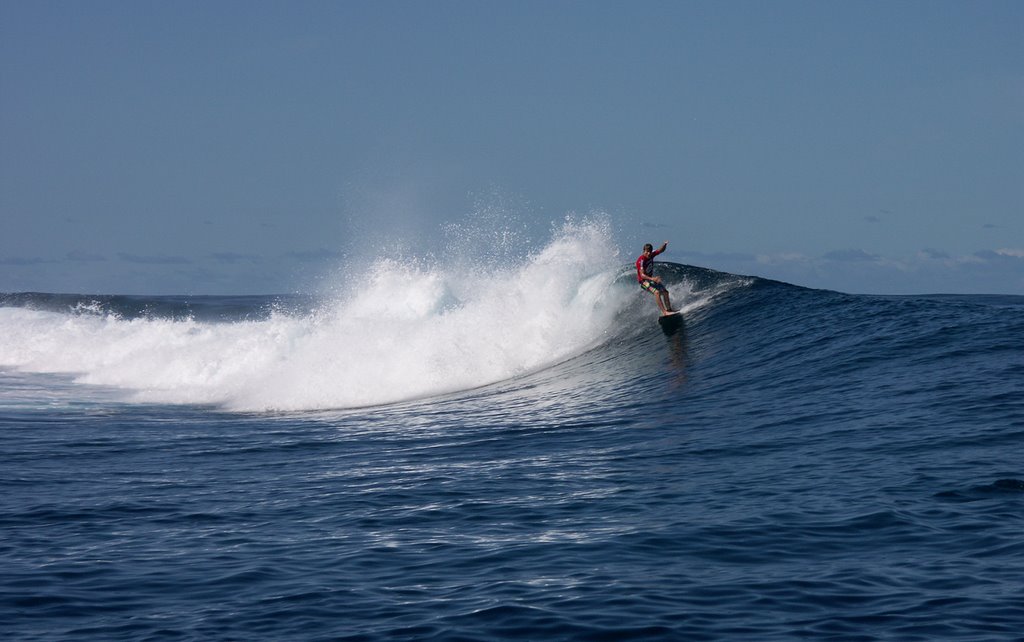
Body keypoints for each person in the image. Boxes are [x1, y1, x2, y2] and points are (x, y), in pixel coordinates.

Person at [636, 241, 674, 315]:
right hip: (643, 282)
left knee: (665, 292)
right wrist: (653, 279)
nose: (649, 253)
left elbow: (660, 250)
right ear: (644, 251)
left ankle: (669, 310)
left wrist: (665, 244)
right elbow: (642, 275)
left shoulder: (651, 255)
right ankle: (664, 312)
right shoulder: (641, 261)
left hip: (650, 280)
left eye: (650, 252)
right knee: (657, 292)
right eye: (647, 252)